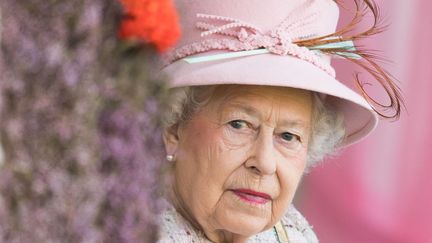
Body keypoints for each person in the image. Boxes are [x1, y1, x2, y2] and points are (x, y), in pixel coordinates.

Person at [157, 0, 402, 242]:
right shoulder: (130, 229)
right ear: (173, 126)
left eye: (288, 136)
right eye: (239, 124)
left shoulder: (295, 235)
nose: (264, 163)